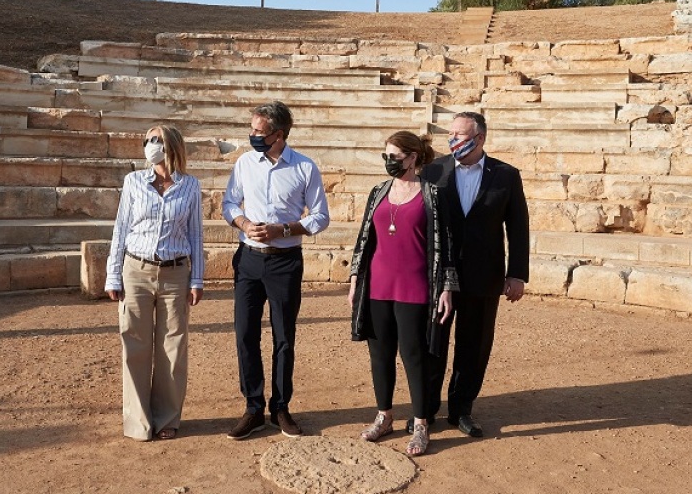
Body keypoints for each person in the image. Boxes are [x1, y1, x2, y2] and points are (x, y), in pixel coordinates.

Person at [221, 101, 330, 439]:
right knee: (245, 334)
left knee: (284, 338)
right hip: (249, 258)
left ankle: (280, 408)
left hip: (284, 261)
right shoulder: (243, 163)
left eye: (258, 132)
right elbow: (228, 203)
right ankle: (253, 408)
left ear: (279, 135)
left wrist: (282, 230)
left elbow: (320, 217)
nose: (252, 135)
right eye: (252, 129)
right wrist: (242, 222)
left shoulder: (305, 168)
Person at [420, 111, 529, 438]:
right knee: (432, 343)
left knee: (475, 344)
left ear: (480, 138)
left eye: (461, 136)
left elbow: (518, 228)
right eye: (450, 134)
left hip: (484, 275)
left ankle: (461, 410)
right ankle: (425, 410)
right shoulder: (433, 170)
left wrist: (517, 274)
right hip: (440, 275)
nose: (453, 140)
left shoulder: (506, 175)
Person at [348, 131, 457, 457]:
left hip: (415, 287)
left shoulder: (433, 195)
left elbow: (448, 245)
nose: (389, 162)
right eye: (386, 156)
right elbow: (365, 237)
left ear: (412, 157)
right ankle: (384, 416)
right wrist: (355, 277)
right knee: (379, 355)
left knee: (414, 356)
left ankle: (421, 423)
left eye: (394, 156)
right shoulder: (378, 192)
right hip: (378, 285)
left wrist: (447, 288)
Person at [105, 125, 205, 441]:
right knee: (134, 344)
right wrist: (113, 273)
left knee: (172, 347)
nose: (150, 145)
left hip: (176, 273)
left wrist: (198, 278)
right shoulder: (133, 181)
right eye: (147, 139)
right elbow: (121, 229)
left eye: (156, 140)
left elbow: (196, 235)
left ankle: (167, 419)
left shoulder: (190, 186)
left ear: (171, 145)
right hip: (135, 270)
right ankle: (138, 422)